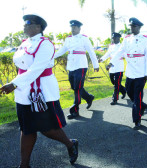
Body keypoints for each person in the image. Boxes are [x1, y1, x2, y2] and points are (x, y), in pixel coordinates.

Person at [0, 14, 78, 167]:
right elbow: (21, 66)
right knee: (27, 129)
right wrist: (16, 84)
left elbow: (36, 69)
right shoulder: (24, 43)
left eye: (28, 23)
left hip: (41, 92)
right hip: (23, 92)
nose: (24, 25)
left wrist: (13, 84)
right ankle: (24, 164)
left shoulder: (45, 44)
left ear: (39, 27)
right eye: (24, 23)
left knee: (48, 129)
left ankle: (70, 144)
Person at [107, 17, 147, 130]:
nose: (132, 28)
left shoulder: (145, 39)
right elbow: (120, 52)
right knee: (129, 91)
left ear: (139, 27)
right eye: (131, 26)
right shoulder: (127, 39)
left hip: (141, 72)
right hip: (130, 71)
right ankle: (143, 106)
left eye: (134, 26)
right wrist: (111, 63)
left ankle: (137, 119)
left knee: (137, 96)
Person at [54, 20, 99, 119]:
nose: (73, 29)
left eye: (75, 27)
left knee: (77, 88)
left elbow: (91, 51)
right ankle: (89, 97)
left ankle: (75, 111)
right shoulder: (68, 39)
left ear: (79, 28)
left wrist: (96, 64)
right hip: (71, 66)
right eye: (72, 27)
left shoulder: (84, 38)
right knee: (75, 87)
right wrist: (51, 56)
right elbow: (62, 50)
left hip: (81, 65)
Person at [99, 32, 126, 105]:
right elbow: (107, 54)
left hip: (119, 67)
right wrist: (101, 59)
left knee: (116, 84)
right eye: (113, 38)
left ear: (118, 38)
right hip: (112, 68)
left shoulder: (122, 46)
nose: (113, 39)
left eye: (114, 38)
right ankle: (123, 90)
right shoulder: (111, 46)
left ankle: (115, 99)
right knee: (113, 81)